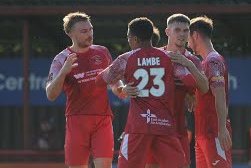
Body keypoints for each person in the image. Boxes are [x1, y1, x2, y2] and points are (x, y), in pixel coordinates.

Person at [95, 17, 197, 168]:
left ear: (134, 39)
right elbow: (190, 82)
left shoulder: (126, 58)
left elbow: (100, 80)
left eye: (128, 37)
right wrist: (190, 94)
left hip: (138, 127)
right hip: (164, 125)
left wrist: (122, 89)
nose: (128, 40)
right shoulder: (168, 58)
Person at [46, 12, 123, 168]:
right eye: (84, 31)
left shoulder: (102, 52)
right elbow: (50, 94)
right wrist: (63, 73)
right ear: (70, 34)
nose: (89, 34)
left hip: (102, 119)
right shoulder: (61, 59)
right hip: (77, 120)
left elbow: (114, 82)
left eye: (91, 29)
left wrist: (121, 89)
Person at [145, 13, 209, 168]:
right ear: (167, 32)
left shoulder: (193, 60)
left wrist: (187, 64)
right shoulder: (155, 55)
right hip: (154, 126)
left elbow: (205, 88)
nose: (182, 34)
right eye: (177, 30)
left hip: (178, 127)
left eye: (186, 30)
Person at [186, 16, 232, 168]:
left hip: (214, 133)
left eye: (188, 38)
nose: (187, 43)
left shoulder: (213, 60)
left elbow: (220, 95)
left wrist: (222, 129)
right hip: (203, 133)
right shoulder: (205, 62)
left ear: (195, 35)